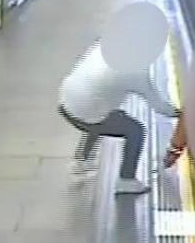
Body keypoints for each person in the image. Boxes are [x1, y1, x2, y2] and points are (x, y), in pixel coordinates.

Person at [58, 41, 180, 194]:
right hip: (87, 112)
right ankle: (126, 181)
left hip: (65, 102)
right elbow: (160, 107)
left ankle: (80, 161)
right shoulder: (136, 72)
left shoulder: (103, 45)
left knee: (104, 114)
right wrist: (181, 113)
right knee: (136, 130)